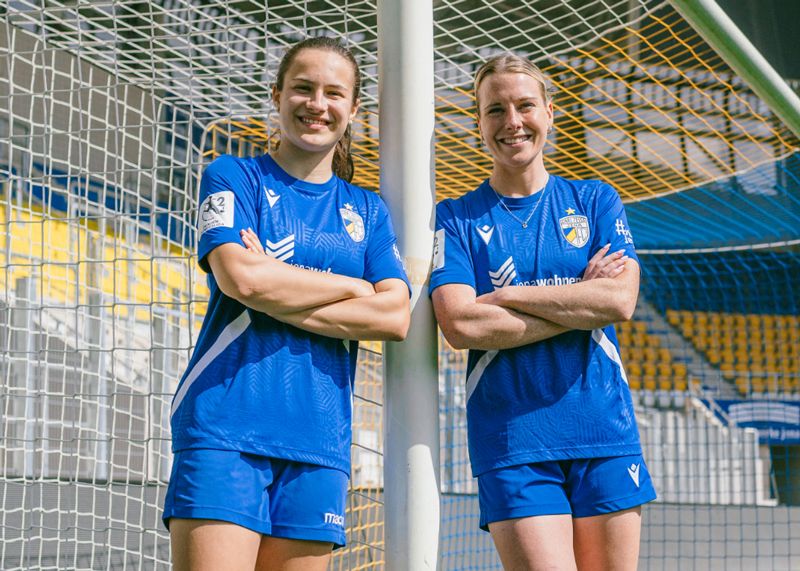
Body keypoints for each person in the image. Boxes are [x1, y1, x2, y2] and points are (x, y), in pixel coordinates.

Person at [163, 37, 411, 571]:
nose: (317, 104)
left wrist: (279, 282)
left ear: (353, 109)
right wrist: (355, 286)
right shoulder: (232, 176)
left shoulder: (367, 211)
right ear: (277, 95)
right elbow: (242, 280)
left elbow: (394, 315)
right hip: (226, 427)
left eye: (333, 93)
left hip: (320, 441)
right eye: (303, 88)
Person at [429, 54, 657, 570]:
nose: (513, 121)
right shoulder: (455, 217)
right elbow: (461, 323)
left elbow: (618, 300)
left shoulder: (596, 200)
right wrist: (580, 297)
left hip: (604, 429)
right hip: (513, 442)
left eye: (525, 105)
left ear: (549, 113)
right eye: (496, 110)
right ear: (478, 123)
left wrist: (508, 296)